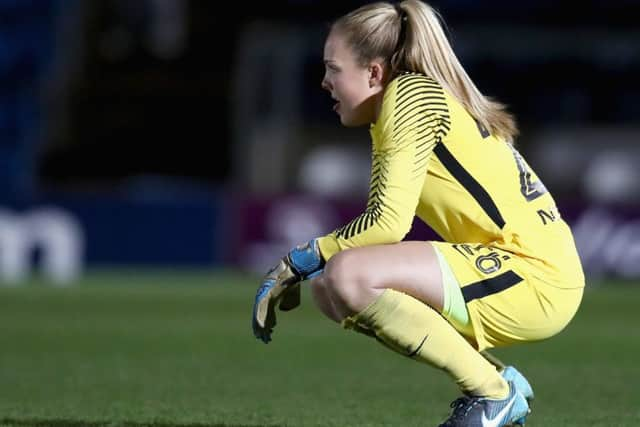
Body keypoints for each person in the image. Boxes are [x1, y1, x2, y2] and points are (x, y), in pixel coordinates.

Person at [251, 1, 585, 426]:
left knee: (347, 276)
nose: (324, 82)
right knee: (331, 291)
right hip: (527, 269)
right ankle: (498, 386)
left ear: (373, 72)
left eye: (333, 69)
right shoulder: (414, 97)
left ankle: (493, 394)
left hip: (533, 275)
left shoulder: (409, 99)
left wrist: (298, 260)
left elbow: (387, 223)